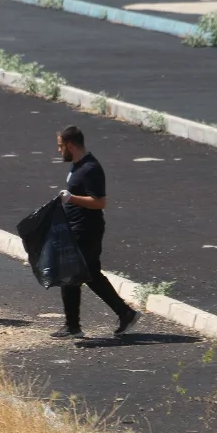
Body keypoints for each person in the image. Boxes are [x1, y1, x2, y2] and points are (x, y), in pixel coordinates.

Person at [52, 125, 140, 339]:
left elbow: (99, 202)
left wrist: (71, 199)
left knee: (75, 274)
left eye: (60, 146)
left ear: (70, 145)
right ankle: (121, 314)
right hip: (77, 227)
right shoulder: (79, 166)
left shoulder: (90, 168)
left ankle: (75, 325)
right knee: (85, 274)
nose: (58, 150)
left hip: (86, 229)